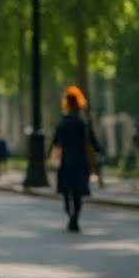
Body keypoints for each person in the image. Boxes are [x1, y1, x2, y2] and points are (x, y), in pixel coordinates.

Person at [50, 86, 103, 232]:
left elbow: (55, 142)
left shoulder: (63, 123)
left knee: (67, 192)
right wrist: (99, 153)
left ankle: (70, 215)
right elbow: (94, 142)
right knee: (78, 192)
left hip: (66, 162)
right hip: (81, 162)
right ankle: (76, 217)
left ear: (66, 104)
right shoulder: (84, 123)